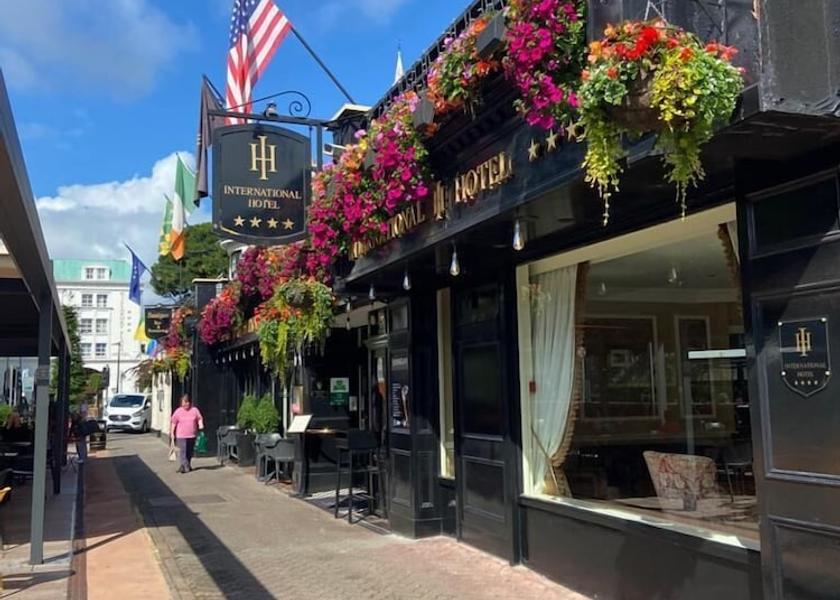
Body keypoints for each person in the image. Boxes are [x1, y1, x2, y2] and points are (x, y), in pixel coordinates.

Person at [170, 395, 204, 473]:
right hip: (181, 435)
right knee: (183, 451)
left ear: (190, 402)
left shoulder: (194, 410)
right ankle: (185, 466)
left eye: (187, 402)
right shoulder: (178, 411)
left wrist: (200, 425)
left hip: (192, 435)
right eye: (184, 402)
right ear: (181, 403)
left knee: (189, 451)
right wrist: (172, 432)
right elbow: (173, 422)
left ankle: (185, 465)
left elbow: (199, 418)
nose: (185, 404)